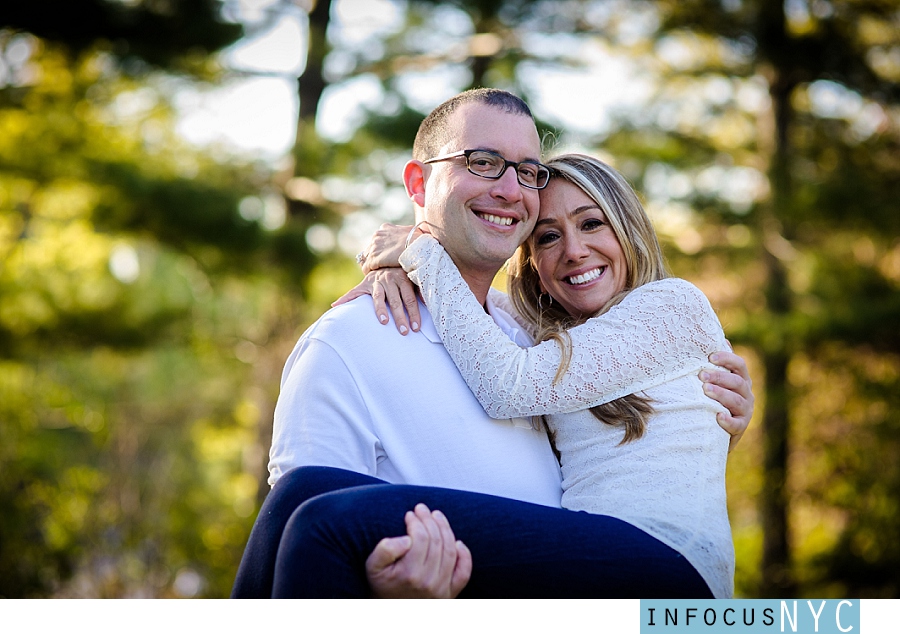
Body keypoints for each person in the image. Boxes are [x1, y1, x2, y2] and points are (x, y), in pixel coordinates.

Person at [231, 88, 753, 598]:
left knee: (325, 522)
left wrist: (419, 254)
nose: (573, 250)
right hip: (586, 560)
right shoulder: (522, 334)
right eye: (547, 236)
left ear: (630, 229)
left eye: (593, 223)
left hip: (667, 568)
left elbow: (508, 382)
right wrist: (395, 264)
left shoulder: (673, 304)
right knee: (301, 494)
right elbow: (487, 312)